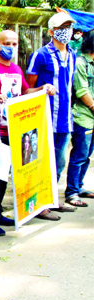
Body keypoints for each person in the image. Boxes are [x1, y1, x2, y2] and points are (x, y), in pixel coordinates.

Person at [0, 29, 58, 224]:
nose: (11, 47)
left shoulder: (15, 69)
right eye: (7, 43)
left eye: (15, 44)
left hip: (16, 128)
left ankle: (4, 213)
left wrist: (42, 88)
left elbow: (24, 92)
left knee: (12, 174)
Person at [27, 12, 78, 214]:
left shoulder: (73, 54)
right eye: (61, 28)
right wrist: (43, 88)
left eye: (68, 27)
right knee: (43, 161)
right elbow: (27, 89)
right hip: (44, 117)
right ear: (51, 32)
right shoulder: (41, 55)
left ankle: (52, 199)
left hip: (65, 118)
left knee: (59, 161)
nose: (66, 31)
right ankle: (40, 203)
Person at [64, 29, 94, 207]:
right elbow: (82, 90)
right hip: (83, 116)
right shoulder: (80, 63)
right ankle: (72, 192)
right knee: (79, 155)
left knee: (87, 155)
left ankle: (79, 186)